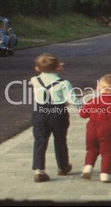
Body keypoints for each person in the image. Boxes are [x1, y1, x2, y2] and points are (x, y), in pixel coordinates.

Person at [30, 53, 82, 183]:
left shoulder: (34, 80)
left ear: (37, 68)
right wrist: (84, 109)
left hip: (40, 111)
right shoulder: (64, 83)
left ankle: (39, 170)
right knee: (60, 139)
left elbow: (44, 73)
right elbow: (73, 100)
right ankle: (63, 166)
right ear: (57, 67)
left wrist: (52, 69)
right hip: (58, 112)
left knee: (40, 140)